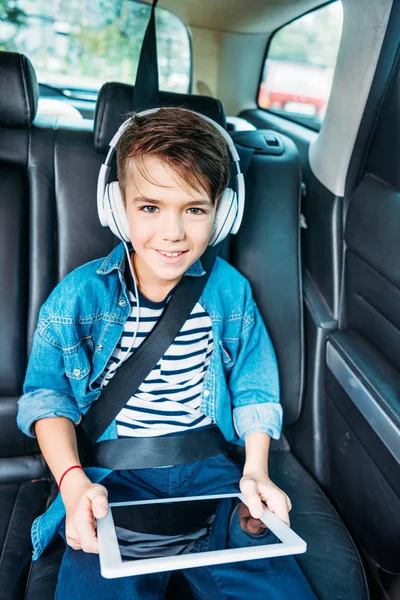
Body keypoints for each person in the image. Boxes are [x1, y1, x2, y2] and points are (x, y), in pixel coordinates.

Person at [17, 108, 316, 599]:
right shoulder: (79, 298)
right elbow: (47, 398)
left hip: (212, 475)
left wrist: (256, 470)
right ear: (117, 207)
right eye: (150, 207)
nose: (174, 233)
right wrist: (72, 484)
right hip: (112, 477)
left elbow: (253, 384)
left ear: (223, 213)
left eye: (195, 209)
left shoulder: (229, 292)